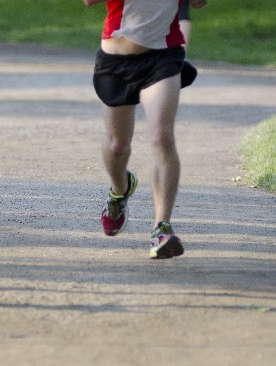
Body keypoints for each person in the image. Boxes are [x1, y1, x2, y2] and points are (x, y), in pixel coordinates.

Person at [84, 0, 207, 259]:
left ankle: (161, 228)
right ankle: (119, 190)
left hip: (162, 57)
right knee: (117, 146)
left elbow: (197, 3)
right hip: (115, 58)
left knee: (162, 137)